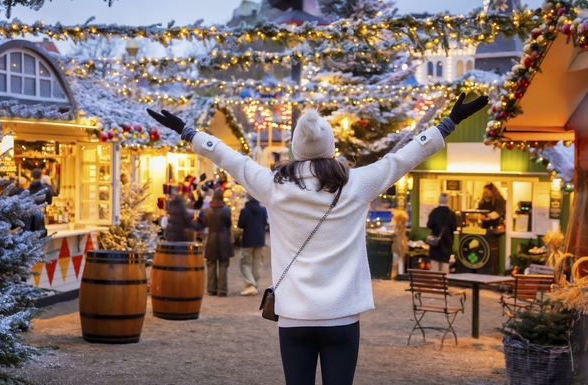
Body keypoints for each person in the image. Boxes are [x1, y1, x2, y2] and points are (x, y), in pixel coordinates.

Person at [148, 92, 488, 385]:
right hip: (342, 316)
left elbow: (228, 157)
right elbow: (404, 158)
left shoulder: (274, 186)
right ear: (332, 147)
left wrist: (187, 131)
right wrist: (450, 121)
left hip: (294, 316)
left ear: (295, 148)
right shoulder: (357, 184)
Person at [203, 189, 235, 297]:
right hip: (224, 238)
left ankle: (211, 289)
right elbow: (228, 223)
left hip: (212, 238)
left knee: (211, 264)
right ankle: (222, 289)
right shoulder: (226, 210)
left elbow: (206, 223)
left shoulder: (207, 210)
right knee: (223, 264)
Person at [238, 192, 268, 296]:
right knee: (257, 263)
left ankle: (250, 285)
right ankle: (255, 285)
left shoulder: (244, 210)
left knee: (245, 263)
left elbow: (240, 224)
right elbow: (265, 223)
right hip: (260, 240)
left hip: (248, 240)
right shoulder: (262, 210)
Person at [427, 193, 457, 274]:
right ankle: (443, 284)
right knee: (445, 265)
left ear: (439, 200)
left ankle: (435, 285)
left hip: (435, 243)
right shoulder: (452, 214)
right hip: (447, 242)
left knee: (435, 265)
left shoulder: (434, 212)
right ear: (448, 201)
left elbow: (429, 225)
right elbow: (454, 228)